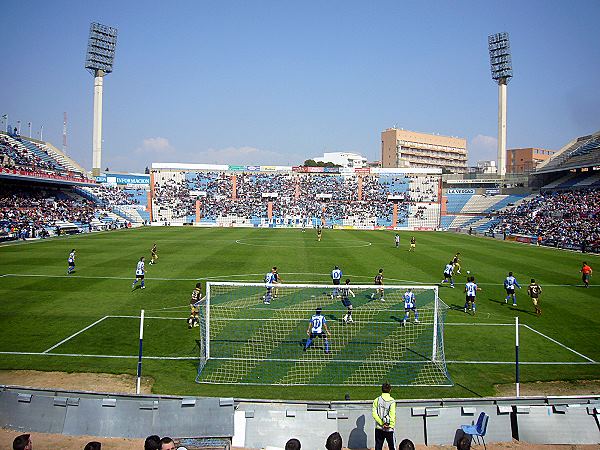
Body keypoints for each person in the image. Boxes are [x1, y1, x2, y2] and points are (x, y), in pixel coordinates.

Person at [372, 382, 396, 450]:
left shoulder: (376, 400)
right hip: (389, 428)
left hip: (379, 428)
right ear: (390, 390)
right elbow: (392, 415)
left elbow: (374, 414)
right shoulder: (392, 401)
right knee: (392, 447)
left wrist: (382, 423)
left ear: (382, 389)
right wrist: (389, 424)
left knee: (378, 447)